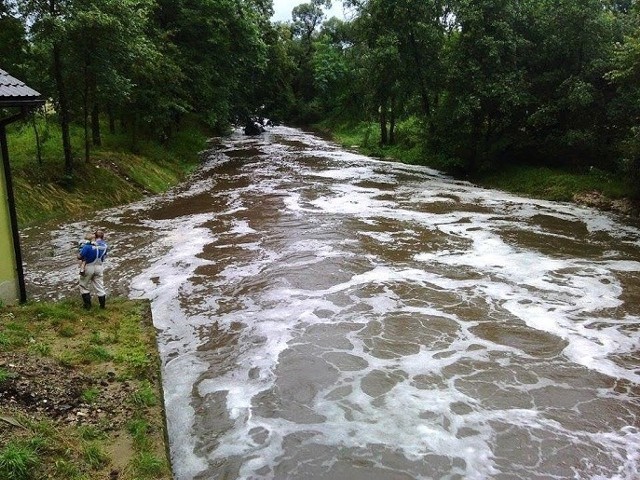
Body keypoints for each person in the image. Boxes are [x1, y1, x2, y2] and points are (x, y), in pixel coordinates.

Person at [77, 229, 109, 309]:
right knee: (100, 287)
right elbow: (104, 256)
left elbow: (80, 256)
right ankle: (102, 307)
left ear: (95, 236)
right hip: (99, 267)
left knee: (83, 286)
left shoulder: (87, 246)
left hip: (89, 267)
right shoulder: (105, 246)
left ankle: (87, 306)